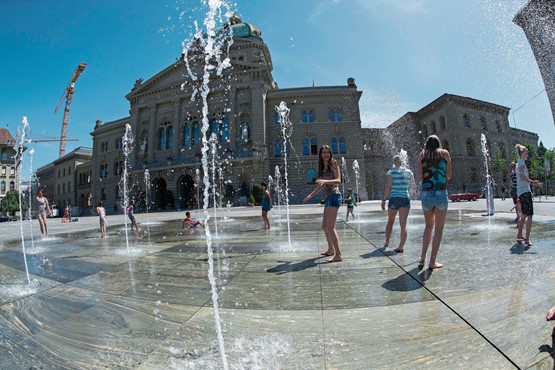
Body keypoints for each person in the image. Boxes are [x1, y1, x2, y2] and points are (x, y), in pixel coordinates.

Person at [417, 135, 452, 270]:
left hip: (426, 194)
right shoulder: (444, 154)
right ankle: (432, 262)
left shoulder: (422, 155)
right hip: (440, 193)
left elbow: (420, 175)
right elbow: (448, 176)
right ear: (439, 143)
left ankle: (422, 258)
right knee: (438, 229)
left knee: (428, 226)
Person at [303, 145, 343, 263]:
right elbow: (321, 185)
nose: (326, 154)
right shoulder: (322, 167)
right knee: (325, 226)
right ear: (320, 154)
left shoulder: (333, 163)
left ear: (330, 153)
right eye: (324, 152)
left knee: (331, 227)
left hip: (335, 196)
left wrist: (325, 181)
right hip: (328, 197)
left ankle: (338, 255)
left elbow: (338, 180)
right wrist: (311, 195)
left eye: (328, 152)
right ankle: (331, 249)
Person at [381, 155, 416, 253]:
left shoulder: (391, 172)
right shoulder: (409, 172)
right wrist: (413, 194)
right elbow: (413, 186)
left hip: (394, 198)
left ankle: (386, 242)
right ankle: (401, 246)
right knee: (403, 224)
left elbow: (388, 186)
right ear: (402, 162)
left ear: (394, 162)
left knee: (390, 221)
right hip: (405, 198)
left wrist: (384, 199)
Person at [515, 144, 542, 247]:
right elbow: (522, 176)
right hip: (525, 192)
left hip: (522, 192)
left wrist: (531, 183)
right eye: (526, 151)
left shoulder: (520, 163)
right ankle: (527, 239)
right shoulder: (521, 163)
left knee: (525, 214)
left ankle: (519, 234)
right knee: (529, 215)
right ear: (522, 153)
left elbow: (522, 177)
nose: (528, 152)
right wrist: (532, 181)